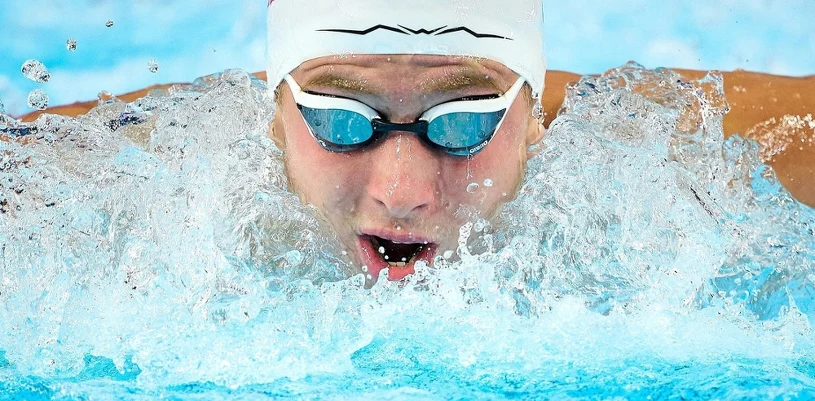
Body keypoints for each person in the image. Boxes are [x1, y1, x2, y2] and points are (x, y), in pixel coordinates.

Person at [17, 0, 815, 282]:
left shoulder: (680, 147)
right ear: (272, 116)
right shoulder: (149, 162)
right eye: (337, 117)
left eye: (464, 121)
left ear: (534, 120)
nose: (402, 190)